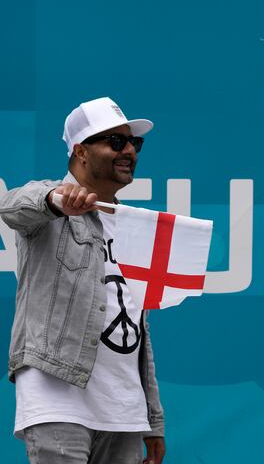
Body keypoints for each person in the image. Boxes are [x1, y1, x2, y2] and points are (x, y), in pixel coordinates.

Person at [0, 97, 166, 464]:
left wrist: (152, 419)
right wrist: (54, 199)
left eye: (134, 143)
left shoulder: (134, 226)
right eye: (116, 142)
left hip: (124, 410)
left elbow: (137, 324)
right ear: (81, 151)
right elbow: (12, 207)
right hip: (59, 400)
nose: (129, 152)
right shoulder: (50, 202)